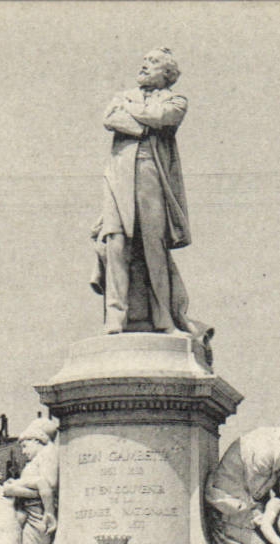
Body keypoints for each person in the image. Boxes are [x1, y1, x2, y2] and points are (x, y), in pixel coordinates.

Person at [91, 48, 204, 338]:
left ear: (167, 73)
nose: (144, 66)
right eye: (144, 61)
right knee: (115, 241)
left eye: (152, 62)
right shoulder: (124, 95)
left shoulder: (176, 100)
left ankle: (164, 319)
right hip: (118, 173)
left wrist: (131, 114)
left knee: (154, 246)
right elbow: (109, 118)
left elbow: (164, 116)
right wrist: (144, 126)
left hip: (151, 172)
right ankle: (115, 316)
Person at [1, 417, 59, 544]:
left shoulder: (48, 454)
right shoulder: (39, 458)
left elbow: (48, 484)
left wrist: (15, 488)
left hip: (38, 516)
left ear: (37, 440)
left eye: (25, 446)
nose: (23, 451)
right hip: (30, 514)